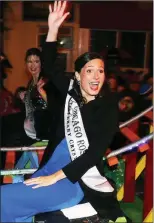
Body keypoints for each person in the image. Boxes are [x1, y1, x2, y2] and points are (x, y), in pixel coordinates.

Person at [1, 2, 119, 222]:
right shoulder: (71, 95)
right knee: (17, 208)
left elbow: (92, 156)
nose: (96, 77)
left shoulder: (108, 109)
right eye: (89, 71)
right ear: (77, 76)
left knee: (4, 198)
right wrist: (53, 29)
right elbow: (50, 64)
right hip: (49, 171)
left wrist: (53, 178)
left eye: (100, 71)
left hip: (73, 182)